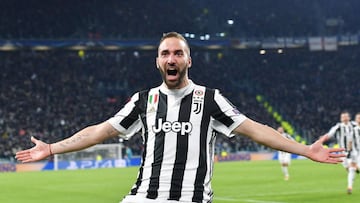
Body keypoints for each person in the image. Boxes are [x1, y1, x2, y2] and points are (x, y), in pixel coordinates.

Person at [16, 32, 344, 203]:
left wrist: (305, 150)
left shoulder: (210, 99)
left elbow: (256, 131)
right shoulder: (144, 100)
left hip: (189, 198)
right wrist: (53, 148)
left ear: (189, 60)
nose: (171, 58)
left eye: (178, 53)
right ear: (157, 62)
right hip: (141, 196)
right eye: (165, 53)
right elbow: (100, 132)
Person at [323, 110, 357, 194]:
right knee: (348, 168)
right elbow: (330, 133)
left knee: (351, 168)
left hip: (353, 151)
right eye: (343, 117)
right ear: (341, 119)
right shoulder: (338, 126)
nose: (345, 118)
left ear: (349, 117)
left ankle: (349, 187)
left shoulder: (354, 125)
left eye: (346, 117)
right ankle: (356, 169)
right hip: (342, 151)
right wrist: (322, 139)